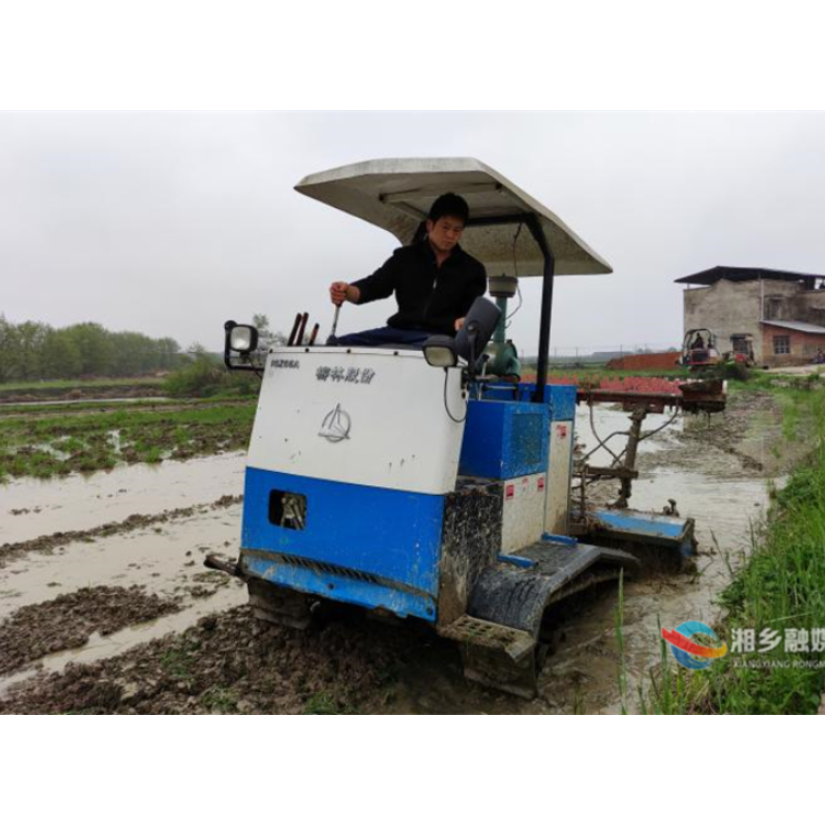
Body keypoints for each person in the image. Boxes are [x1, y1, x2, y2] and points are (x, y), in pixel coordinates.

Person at [329, 193, 487, 347]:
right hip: (397, 332)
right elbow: (374, 286)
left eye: (457, 230)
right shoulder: (404, 258)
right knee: (340, 345)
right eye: (445, 227)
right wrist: (346, 290)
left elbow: (471, 316)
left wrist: (465, 321)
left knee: (440, 351)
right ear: (430, 225)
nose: (450, 235)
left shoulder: (473, 270)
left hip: (441, 339)